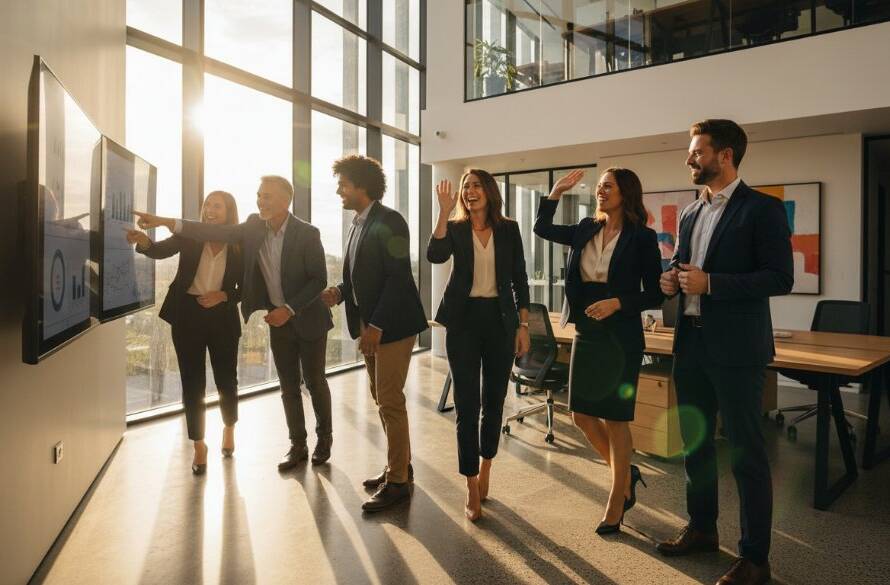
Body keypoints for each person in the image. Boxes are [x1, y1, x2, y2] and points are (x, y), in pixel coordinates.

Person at [657, 119, 793, 585]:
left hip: (738, 350)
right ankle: (702, 528)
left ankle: (756, 558)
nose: (689, 159)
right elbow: (680, 266)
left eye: (697, 152)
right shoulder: (692, 213)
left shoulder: (763, 210)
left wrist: (712, 283)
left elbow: (780, 278)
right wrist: (670, 278)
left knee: (745, 454)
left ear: (726, 155)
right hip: (691, 344)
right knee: (695, 444)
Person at [135, 176, 335, 470]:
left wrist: (286, 308)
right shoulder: (253, 229)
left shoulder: (306, 233)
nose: (260, 201)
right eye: (258, 195)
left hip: (306, 318)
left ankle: (324, 441)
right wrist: (160, 225)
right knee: (288, 386)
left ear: (285, 200)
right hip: (268, 319)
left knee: (314, 382)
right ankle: (297, 445)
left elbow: (319, 278)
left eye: (267, 196)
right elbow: (194, 232)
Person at [535, 167, 663, 534]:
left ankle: (616, 498)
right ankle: (625, 473)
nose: (601, 191)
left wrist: (619, 303)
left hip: (620, 333)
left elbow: (656, 292)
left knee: (616, 418)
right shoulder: (585, 228)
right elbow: (542, 229)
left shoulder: (642, 237)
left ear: (626, 192)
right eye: (600, 187)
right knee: (580, 415)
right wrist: (556, 191)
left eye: (609, 186)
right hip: (587, 330)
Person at [320, 155, 428, 513]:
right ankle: (401, 466)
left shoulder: (390, 221)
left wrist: (378, 326)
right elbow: (357, 277)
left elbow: (398, 278)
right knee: (384, 400)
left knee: (390, 399)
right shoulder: (356, 224)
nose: (339, 190)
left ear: (361, 186)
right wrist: (338, 291)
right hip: (370, 328)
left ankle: (398, 482)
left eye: (343, 184)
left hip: (392, 326)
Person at [427, 169, 531, 521]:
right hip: (464, 321)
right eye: (464, 187)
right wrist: (443, 211)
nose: (469, 191)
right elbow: (435, 255)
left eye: (475, 185)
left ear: (488, 191)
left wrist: (523, 325)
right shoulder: (455, 228)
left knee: (494, 401)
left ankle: (486, 466)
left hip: (500, 322)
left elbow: (519, 278)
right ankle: (470, 481)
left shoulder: (508, 229)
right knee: (467, 404)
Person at [126, 191, 243, 475]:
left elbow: (249, 287)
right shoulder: (190, 235)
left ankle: (228, 427)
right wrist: (144, 243)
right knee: (193, 383)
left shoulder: (241, 243)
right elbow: (159, 250)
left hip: (223, 318)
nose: (210, 209)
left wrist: (224, 295)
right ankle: (199, 444)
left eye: (217, 205)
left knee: (227, 379)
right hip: (187, 316)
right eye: (207, 205)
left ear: (229, 212)